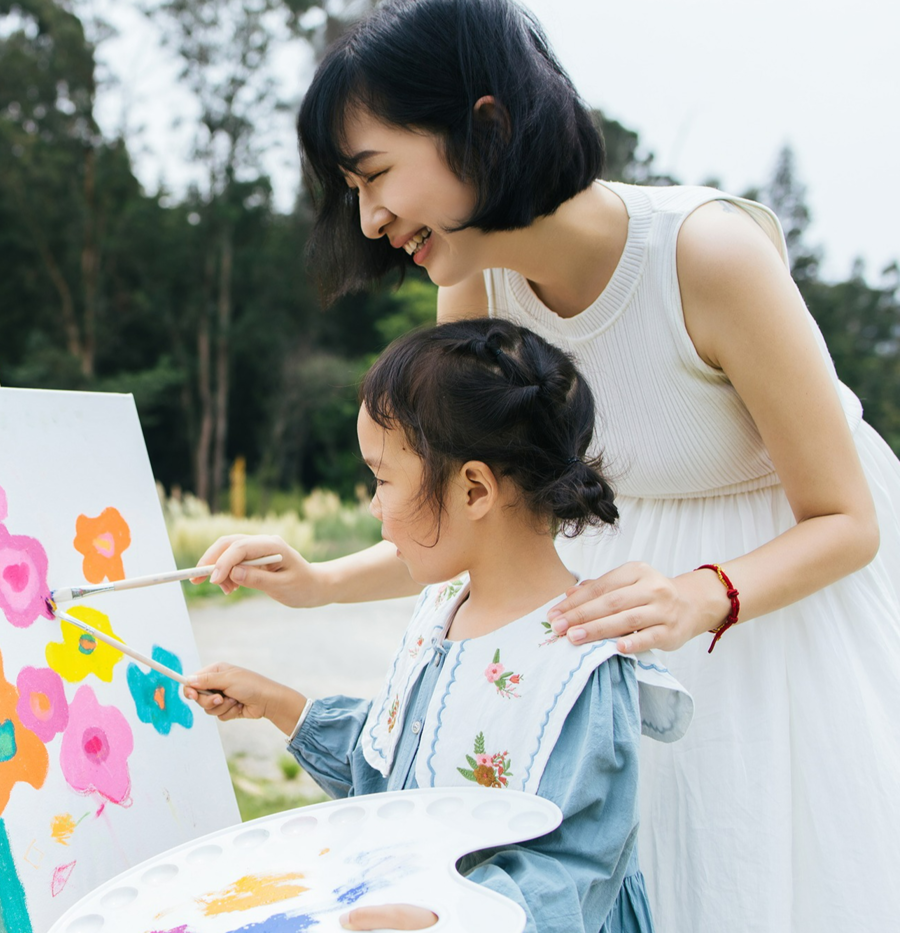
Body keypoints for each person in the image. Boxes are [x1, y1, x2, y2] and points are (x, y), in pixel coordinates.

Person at [196, 1, 900, 928]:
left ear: (483, 126)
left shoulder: (709, 254)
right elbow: (468, 507)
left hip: (770, 599)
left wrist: (700, 596)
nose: (369, 220)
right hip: (620, 598)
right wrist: (321, 581)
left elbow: (847, 520)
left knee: (754, 881)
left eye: (375, 176)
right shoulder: (472, 278)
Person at [187, 318, 692, 932]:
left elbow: (576, 869)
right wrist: (277, 704)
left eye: (382, 479)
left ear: (474, 490)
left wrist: (446, 916)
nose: (373, 504)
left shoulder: (582, 661)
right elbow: (397, 775)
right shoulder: (443, 605)